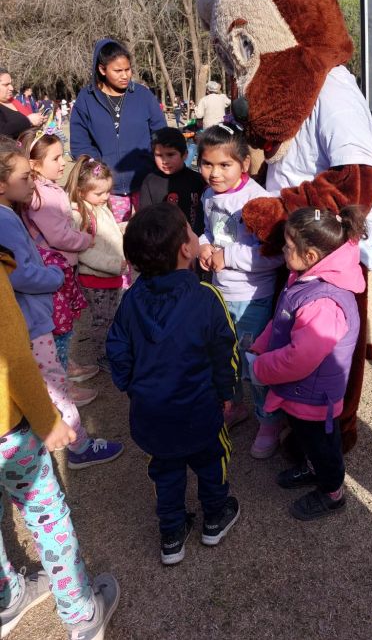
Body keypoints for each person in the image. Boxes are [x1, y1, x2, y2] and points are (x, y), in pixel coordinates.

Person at [107, 203, 241, 564]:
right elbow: (225, 350)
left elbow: (116, 348)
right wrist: (227, 393)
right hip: (200, 410)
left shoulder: (131, 300)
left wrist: (133, 386)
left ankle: (172, 535)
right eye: (191, 231)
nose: (197, 236)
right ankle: (215, 516)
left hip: (151, 413)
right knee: (213, 461)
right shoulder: (206, 297)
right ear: (186, 248)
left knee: (165, 472)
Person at [0, 242, 120, 639]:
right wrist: (47, 420)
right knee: (45, 513)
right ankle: (81, 613)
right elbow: (14, 358)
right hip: (7, 430)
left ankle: (6, 598)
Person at [0, 136, 124, 470]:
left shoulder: (12, 213)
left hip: (26, 316)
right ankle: (79, 445)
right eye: (26, 177)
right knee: (55, 383)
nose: (33, 184)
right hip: (32, 317)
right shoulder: (6, 219)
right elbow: (21, 273)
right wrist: (54, 275)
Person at [246, 205, 365, 521]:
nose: (283, 251)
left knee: (324, 447)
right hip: (302, 393)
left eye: (287, 247)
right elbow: (282, 320)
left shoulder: (323, 301)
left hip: (314, 397)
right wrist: (262, 347)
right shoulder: (305, 278)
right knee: (310, 441)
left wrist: (261, 368)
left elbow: (301, 358)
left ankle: (332, 491)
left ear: (310, 255)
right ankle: (314, 468)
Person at [197, 123, 283, 453]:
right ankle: (235, 405)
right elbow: (210, 232)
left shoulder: (259, 200)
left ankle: (269, 421)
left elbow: (272, 255)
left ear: (244, 163)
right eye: (207, 164)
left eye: (224, 165)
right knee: (224, 358)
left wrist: (226, 256)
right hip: (220, 294)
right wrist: (205, 247)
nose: (214, 173)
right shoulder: (209, 196)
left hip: (252, 298)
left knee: (254, 362)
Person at [20, 129, 99, 392]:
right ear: (34, 164)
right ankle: (63, 385)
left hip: (59, 266)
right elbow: (60, 235)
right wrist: (85, 240)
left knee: (64, 325)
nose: (63, 162)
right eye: (55, 158)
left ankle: (66, 367)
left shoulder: (43, 189)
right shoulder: (42, 196)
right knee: (60, 328)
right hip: (56, 268)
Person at [70, 39, 167, 225]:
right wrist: (97, 172)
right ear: (102, 69)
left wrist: (155, 166)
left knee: (150, 230)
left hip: (144, 181)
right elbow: (80, 142)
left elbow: (160, 133)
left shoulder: (143, 95)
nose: (125, 75)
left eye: (128, 69)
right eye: (118, 71)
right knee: (112, 237)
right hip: (106, 187)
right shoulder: (86, 99)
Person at [65, 155, 126, 370]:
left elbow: (105, 236)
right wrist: (113, 264)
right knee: (102, 319)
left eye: (107, 191)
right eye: (99, 193)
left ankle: (110, 350)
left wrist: (123, 228)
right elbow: (83, 251)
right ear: (81, 191)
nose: (105, 196)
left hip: (111, 277)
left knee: (111, 316)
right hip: (95, 279)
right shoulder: (79, 214)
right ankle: (102, 355)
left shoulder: (99, 208)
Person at [139, 127, 206, 235]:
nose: (165, 161)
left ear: (185, 155)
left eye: (170, 154)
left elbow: (204, 217)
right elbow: (144, 216)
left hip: (192, 241)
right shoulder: (150, 181)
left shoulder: (198, 180)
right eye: (159, 155)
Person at [0, 69, 44, 139]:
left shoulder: (13, 101)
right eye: (6, 85)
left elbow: (26, 119)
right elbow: (2, 132)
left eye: (11, 84)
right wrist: (29, 121)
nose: (11, 88)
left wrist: (38, 120)